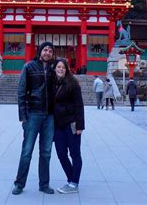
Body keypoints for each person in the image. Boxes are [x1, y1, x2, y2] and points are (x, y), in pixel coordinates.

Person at [12, 41, 56, 196]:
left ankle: (44, 184)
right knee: (27, 151)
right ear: (40, 51)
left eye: (50, 51)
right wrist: (23, 117)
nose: (47, 53)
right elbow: (21, 91)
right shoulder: (29, 67)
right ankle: (19, 183)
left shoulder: (53, 69)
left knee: (46, 152)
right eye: (45, 50)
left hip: (49, 116)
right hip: (33, 114)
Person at [53, 58, 85, 194]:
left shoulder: (73, 83)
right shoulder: (52, 83)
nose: (61, 69)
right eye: (58, 67)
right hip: (58, 125)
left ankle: (73, 183)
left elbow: (79, 105)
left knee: (75, 154)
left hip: (71, 124)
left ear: (67, 69)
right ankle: (72, 179)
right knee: (61, 154)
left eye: (63, 67)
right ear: (54, 68)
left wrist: (80, 126)